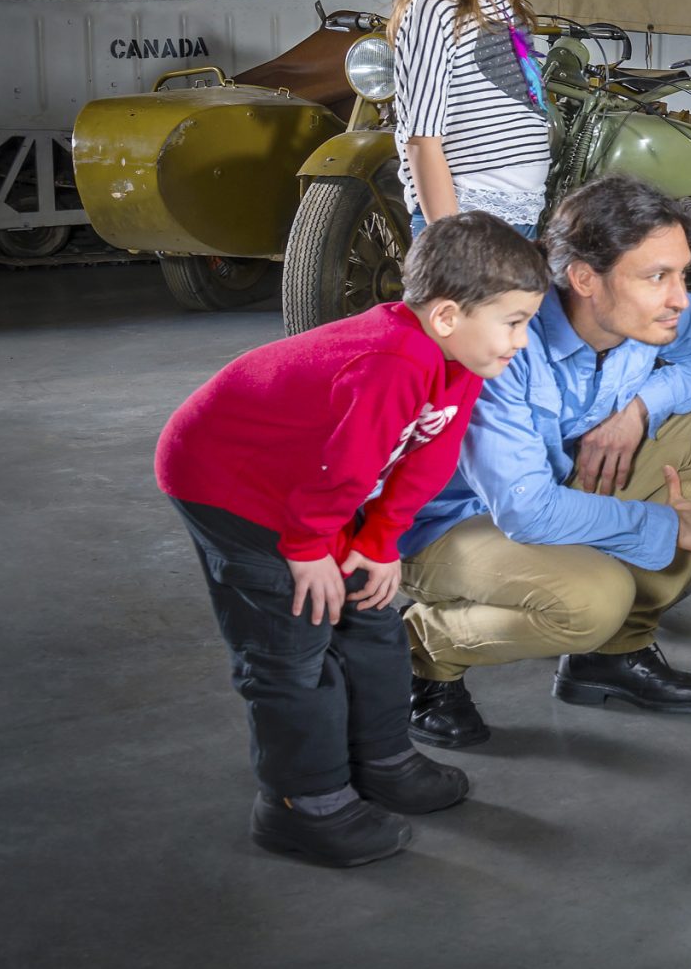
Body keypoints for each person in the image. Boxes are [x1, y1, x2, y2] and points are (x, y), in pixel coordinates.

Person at [158, 213, 551, 868]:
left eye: (529, 320)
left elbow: (431, 451)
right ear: (449, 315)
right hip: (230, 481)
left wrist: (381, 540)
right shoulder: (396, 360)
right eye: (514, 321)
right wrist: (310, 550)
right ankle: (299, 806)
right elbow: (342, 467)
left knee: (370, 612)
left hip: (310, 485)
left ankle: (384, 761)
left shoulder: (461, 356)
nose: (523, 338)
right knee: (294, 639)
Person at [400, 175, 691, 747]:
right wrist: (669, 525)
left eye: (681, 274)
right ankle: (425, 652)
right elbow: (525, 511)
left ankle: (611, 657)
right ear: (583, 279)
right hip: (452, 524)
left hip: (551, 490)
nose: (679, 298)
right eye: (657, 277)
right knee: (593, 598)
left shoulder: (653, 316)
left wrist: (644, 408)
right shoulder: (505, 336)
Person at [389, 0, 552, 235]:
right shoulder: (435, 9)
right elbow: (422, 141)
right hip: (468, 223)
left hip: (521, 218)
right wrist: (451, 244)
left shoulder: (509, 7)